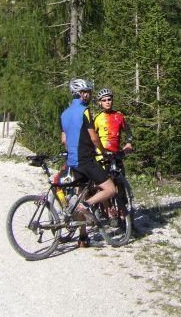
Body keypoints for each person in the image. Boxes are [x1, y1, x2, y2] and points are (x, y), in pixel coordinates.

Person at [60, 78, 116, 247]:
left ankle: (83, 238)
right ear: (80, 94)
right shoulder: (84, 111)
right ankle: (88, 205)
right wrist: (104, 152)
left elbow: (64, 140)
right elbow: (94, 138)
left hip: (73, 162)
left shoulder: (64, 114)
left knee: (80, 196)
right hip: (86, 159)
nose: (89, 95)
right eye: (87, 92)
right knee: (110, 189)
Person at [93, 87, 134, 222]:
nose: (107, 102)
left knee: (120, 183)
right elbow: (92, 137)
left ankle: (123, 211)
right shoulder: (98, 118)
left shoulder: (119, 116)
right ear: (100, 103)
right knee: (104, 185)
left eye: (109, 99)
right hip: (102, 156)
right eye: (104, 100)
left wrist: (129, 143)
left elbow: (129, 132)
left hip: (116, 155)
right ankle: (109, 210)